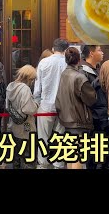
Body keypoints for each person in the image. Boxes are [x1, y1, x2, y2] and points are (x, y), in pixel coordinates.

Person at [56, 47, 97, 169]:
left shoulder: (64, 74)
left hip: (66, 119)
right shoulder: (80, 78)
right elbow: (91, 99)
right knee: (78, 154)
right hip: (79, 121)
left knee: (71, 154)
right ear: (79, 60)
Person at [33, 38, 69, 169]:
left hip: (46, 105)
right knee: (60, 137)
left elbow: (38, 87)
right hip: (63, 107)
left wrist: (36, 102)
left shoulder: (44, 62)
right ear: (66, 50)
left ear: (53, 49)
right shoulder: (68, 63)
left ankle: (42, 164)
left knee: (43, 138)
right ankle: (58, 164)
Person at [79, 44, 109, 169]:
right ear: (91, 53)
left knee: (105, 151)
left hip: (103, 115)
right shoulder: (83, 72)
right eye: (99, 50)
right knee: (93, 153)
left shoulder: (98, 69)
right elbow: (86, 96)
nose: (102, 52)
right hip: (94, 117)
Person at [6, 64, 38, 169]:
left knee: (16, 156)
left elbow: (7, 106)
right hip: (26, 128)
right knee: (28, 157)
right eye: (33, 79)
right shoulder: (25, 89)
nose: (33, 82)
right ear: (29, 78)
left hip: (13, 125)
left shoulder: (10, 86)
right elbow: (28, 109)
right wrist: (36, 104)